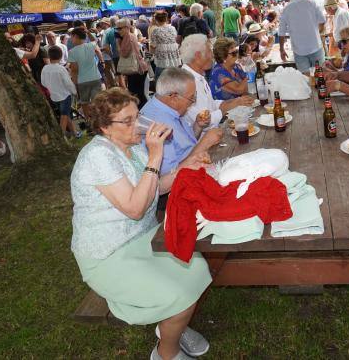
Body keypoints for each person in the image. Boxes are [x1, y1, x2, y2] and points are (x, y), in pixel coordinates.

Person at [69, 88, 212, 360]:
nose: (139, 125)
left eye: (137, 116)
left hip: (143, 239)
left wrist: (185, 167)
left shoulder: (131, 147)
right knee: (177, 293)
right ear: (104, 128)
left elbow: (152, 188)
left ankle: (174, 326)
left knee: (197, 268)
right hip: (107, 254)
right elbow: (135, 208)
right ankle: (166, 352)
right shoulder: (97, 156)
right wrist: (155, 154)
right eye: (128, 121)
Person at [140, 69, 224, 176]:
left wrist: (197, 126)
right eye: (191, 98)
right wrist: (205, 143)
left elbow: (184, 146)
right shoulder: (155, 124)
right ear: (174, 97)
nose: (193, 102)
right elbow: (168, 176)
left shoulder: (169, 108)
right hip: (181, 183)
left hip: (198, 167)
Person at [179, 34, 254, 129]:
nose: (213, 55)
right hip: (204, 137)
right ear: (198, 56)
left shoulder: (198, 76)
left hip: (214, 130)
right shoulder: (188, 82)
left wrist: (235, 101)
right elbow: (203, 120)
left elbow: (211, 104)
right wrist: (231, 105)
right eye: (210, 51)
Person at [278, 0, 326, 71]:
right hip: (315, 45)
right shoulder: (311, 2)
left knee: (305, 79)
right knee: (320, 76)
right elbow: (322, 21)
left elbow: (281, 33)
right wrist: (316, 33)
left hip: (299, 50)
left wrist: (282, 50)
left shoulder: (285, 10)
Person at [68, 27, 105, 125]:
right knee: (97, 101)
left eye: (72, 37)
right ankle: (100, 120)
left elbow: (74, 70)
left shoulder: (72, 52)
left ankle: (89, 122)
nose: (71, 40)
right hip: (95, 77)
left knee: (84, 102)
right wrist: (88, 32)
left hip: (82, 80)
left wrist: (75, 83)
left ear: (76, 37)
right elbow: (95, 40)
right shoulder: (91, 45)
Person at [42, 45, 80, 139]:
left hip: (54, 96)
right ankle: (61, 137)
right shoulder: (61, 69)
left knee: (65, 114)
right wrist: (75, 92)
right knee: (64, 116)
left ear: (49, 56)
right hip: (64, 96)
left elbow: (43, 83)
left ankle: (74, 132)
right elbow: (68, 83)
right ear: (61, 56)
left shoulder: (45, 68)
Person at [116, 19, 149, 107]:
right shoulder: (131, 35)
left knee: (136, 94)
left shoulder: (127, 37)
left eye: (120, 28)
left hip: (136, 69)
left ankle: (140, 112)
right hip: (140, 68)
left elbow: (124, 53)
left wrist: (118, 44)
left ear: (127, 27)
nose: (118, 31)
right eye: (117, 29)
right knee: (140, 93)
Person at [149, 11, 182, 77]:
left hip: (162, 60)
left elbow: (153, 47)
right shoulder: (172, 28)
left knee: (160, 81)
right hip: (174, 59)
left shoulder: (156, 31)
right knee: (174, 79)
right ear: (166, 19)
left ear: (156, 20)